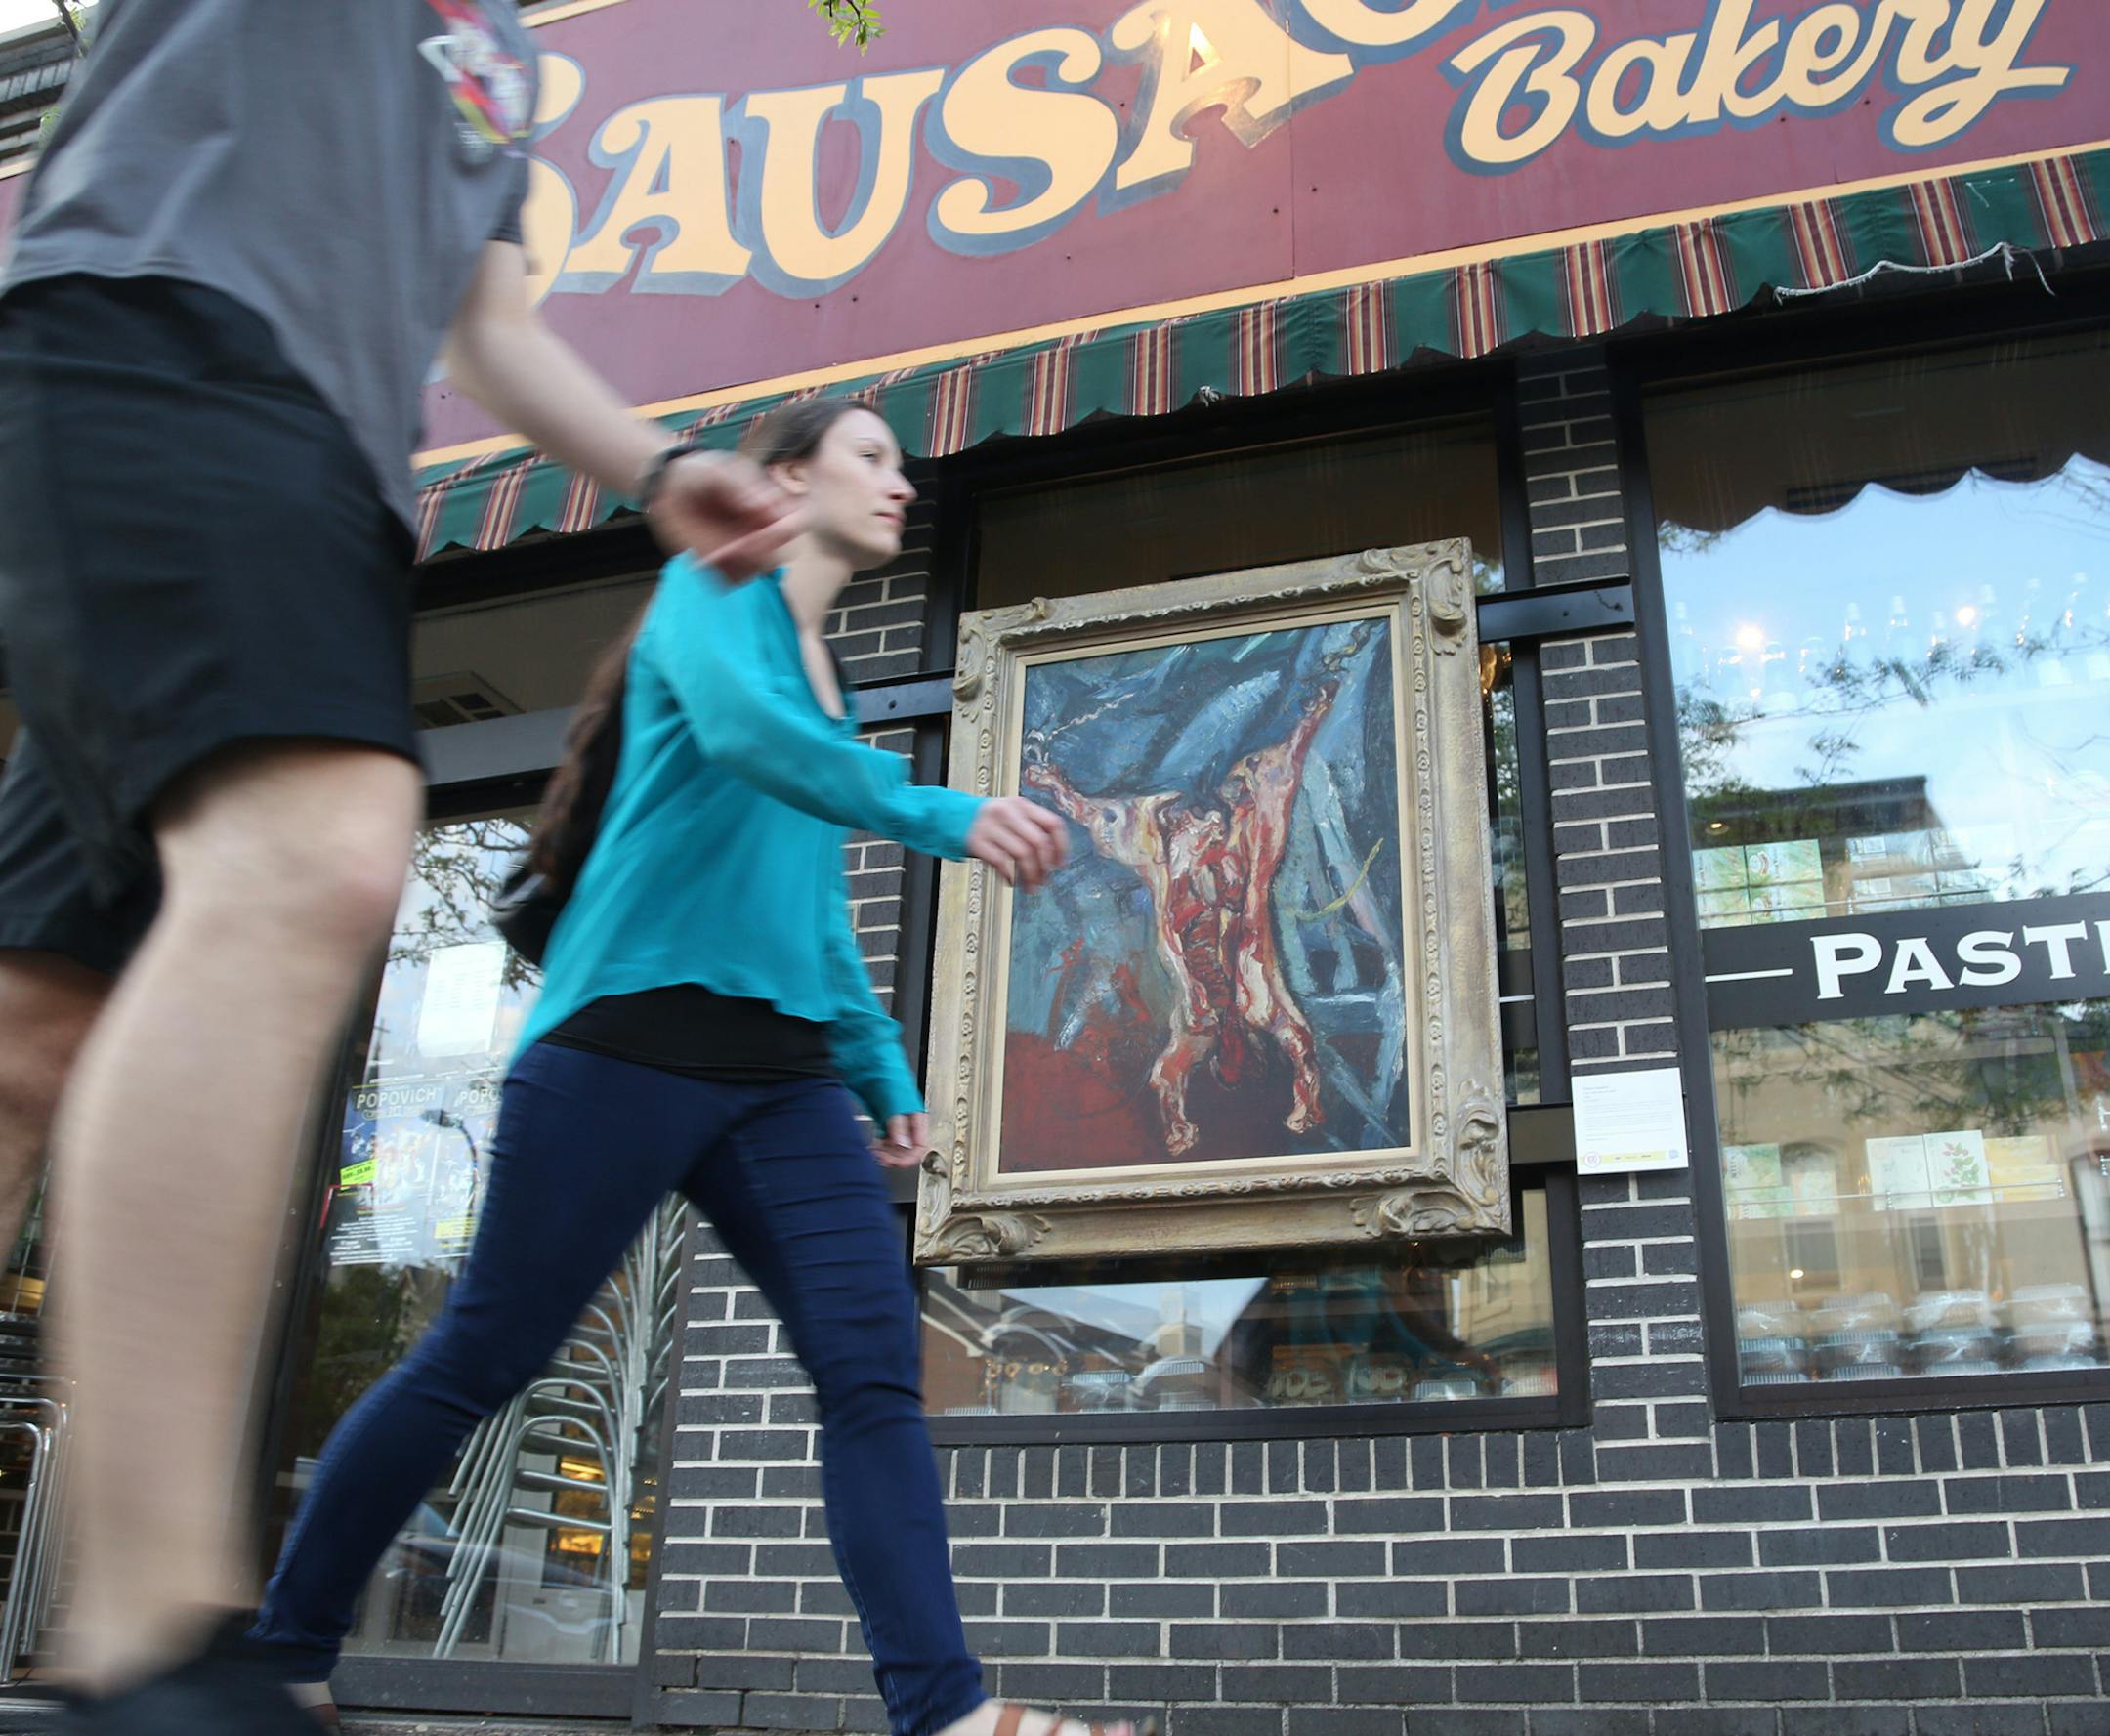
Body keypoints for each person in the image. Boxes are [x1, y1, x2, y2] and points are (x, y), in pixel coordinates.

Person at [0, 6, 803, 1728]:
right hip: (157, 343)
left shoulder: (497, 61)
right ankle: (151, 1636)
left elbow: (488, 320)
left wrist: (662, 470)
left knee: (30, 1034)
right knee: (315, 850)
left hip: (326, 475)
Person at [245, 401, 1125, 1736]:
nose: (900, 479)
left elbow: (812, 911)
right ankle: (284, 1651)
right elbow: (741, 739)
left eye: (902, 461)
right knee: (487, 1347)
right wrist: (948, 810)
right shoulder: (711, 582)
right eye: (871, 456)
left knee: (873, 1366)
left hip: (779, 1080)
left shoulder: (826, 677)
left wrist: (879, 1065)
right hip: (622, 1041)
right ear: (787, 477)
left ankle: (944, 1711)